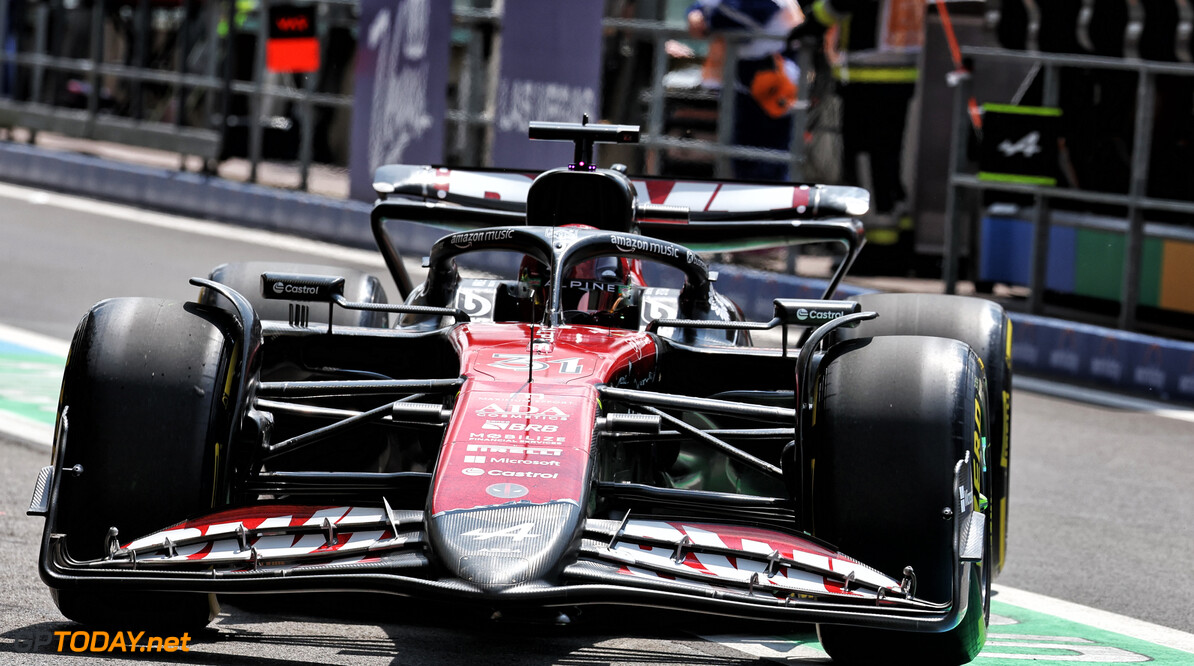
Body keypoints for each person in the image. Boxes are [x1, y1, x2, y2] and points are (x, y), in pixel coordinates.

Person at [791, 0, 923, 272]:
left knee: (866, 160)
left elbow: (837, 6)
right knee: (890, 161)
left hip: (869, 69)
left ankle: (875, 249)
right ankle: (899, 244)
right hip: (903, 65)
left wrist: (812, 22)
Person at [686, 0, 805, 182]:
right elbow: (706, 4)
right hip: (744, 81)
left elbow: (743, 21)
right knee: (742, 157)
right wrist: (695, 12)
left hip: (776, 82)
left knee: (770, 161)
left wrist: (706, 18)